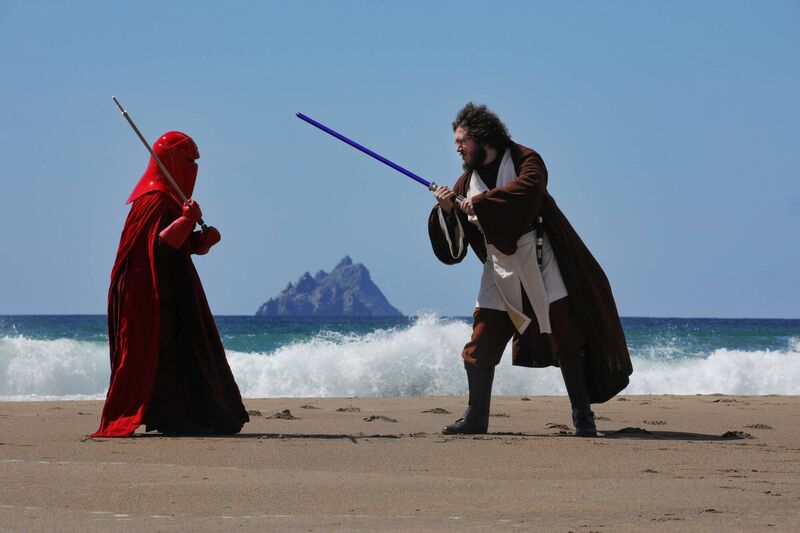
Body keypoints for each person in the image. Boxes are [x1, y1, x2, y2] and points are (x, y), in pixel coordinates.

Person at [429, 103, 632, 437]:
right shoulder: (465, 183)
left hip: (540, 256)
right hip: (498, 266)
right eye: (456, 143)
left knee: (566, 335)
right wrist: (449, 209)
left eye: (462, 141)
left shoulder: (525, 159)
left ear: (482, 137)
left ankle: (583, 418)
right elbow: (459, 240)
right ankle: (476, 417)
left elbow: (530, 189)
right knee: (482, 339)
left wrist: (480, 203)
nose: (458, 149)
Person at [91, 131, 249, 437]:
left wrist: (203, 240)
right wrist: (187, 221)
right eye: (188, 160)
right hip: (150, 292)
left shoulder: (171, 201)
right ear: (171, 161)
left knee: (184, 347)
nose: (194, 168)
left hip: (172, 288)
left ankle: (198, 413)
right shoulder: (153, 200)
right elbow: (158, 247)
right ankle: (171, 416)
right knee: (163, 350)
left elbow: (181, 247)